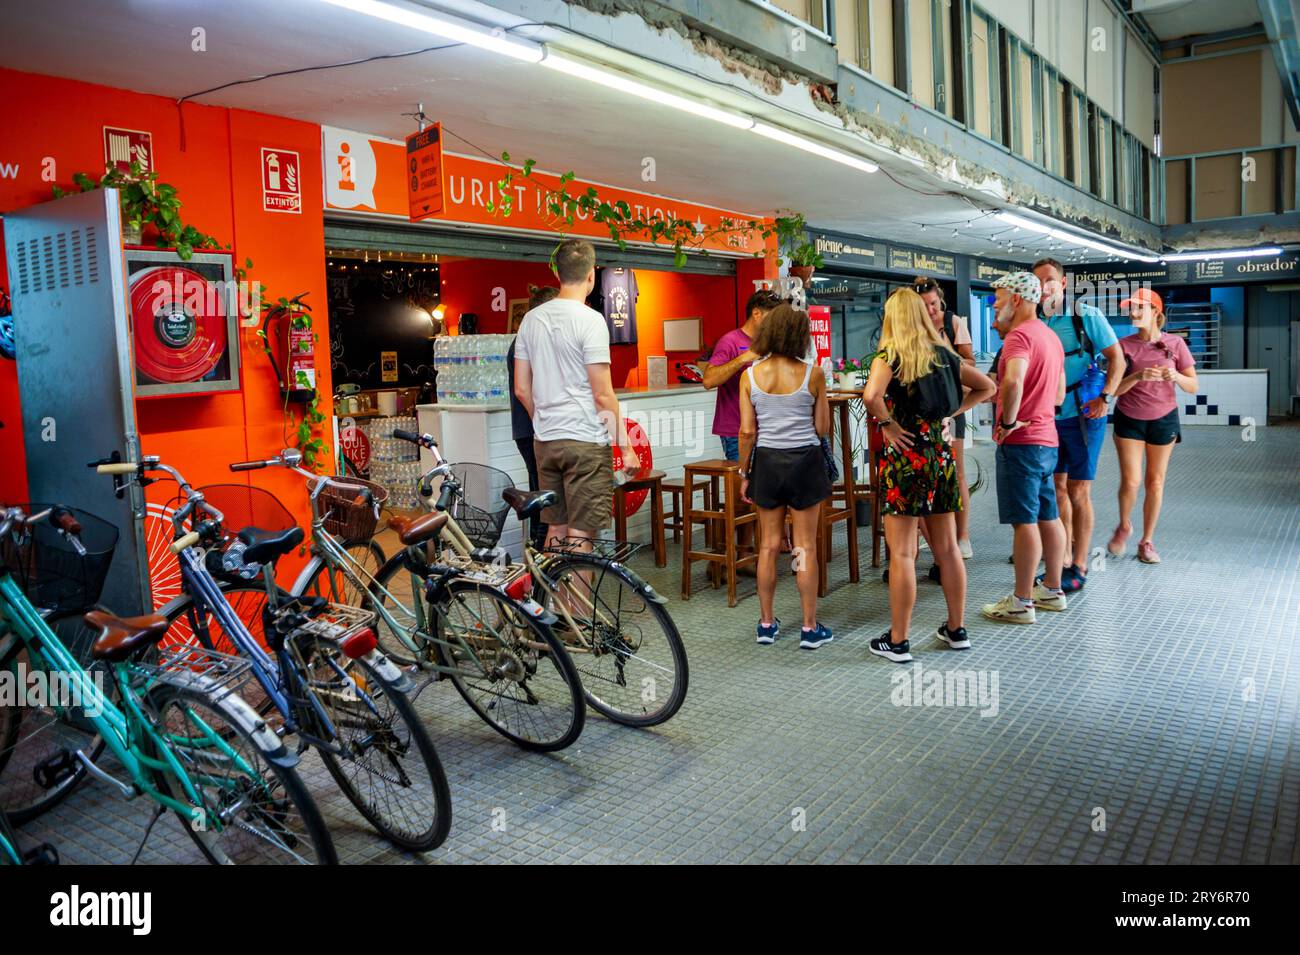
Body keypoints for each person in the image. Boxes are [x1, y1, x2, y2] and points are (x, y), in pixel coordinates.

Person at [863, 288, 996, 662]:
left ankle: (899, 640)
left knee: (903, 553)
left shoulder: (890, 355)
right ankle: (956, 629)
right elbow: (988, 387)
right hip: (939, 456)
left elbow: (872, 395)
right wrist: (951, 415)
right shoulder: (945, 356)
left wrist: (888, 424)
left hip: (906, 459)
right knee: (949, 548)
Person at [514, 239, 639, 548]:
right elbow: (603, 395)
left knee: (556, 527)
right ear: (591, 276)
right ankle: (577, 600)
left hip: (546, 441)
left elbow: (521, 388)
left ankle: (553, 597)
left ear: (557, 274)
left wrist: (542, 418)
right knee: (582, 532)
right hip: (584, 441)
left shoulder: (531, 320)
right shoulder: (592, 320)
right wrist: (625, 447)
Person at [737, 304, 833, 649]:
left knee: (768, 544)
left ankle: (766, 624)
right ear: (799, 336)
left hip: (767, 462)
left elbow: (747, 432)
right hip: (805, 462)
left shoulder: (749, 376)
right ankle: (809, 628)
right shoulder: (814, 374)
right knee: (804, 547)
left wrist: (744, 472)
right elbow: (821, 429)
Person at [981, 271, 1070, 625]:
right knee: (1049, 515)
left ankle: (1021, 602)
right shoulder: (1050, 337)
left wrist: (1007, 421)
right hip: (1048, 439)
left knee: (1024, 521)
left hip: (1022, 442)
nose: (996, 305)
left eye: (999, 299)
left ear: (1017, 299)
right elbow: (1060, 393)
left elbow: (1013, 380)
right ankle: (1051, 589)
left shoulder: (1018, 337)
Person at [1033, 258, 1124, 592]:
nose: (1044, 286)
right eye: (1038, 281)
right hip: (1049, 418)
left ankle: (1081, 565)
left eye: (1050, 280)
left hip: (1086, 417)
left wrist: (1106, 398)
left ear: (1064, 283)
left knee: (1078, 490)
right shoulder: (1035, 320)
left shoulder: (1086, 317)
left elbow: (1118, 358)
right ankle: (1064, 556)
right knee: (1056, 488)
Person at [1108, 288, 1197, 564]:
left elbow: (1193, 386)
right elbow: (1113, 390)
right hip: (1130, 418)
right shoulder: (1123, 345)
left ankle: (1146, 541)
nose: (1133, 314)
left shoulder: (1176, 345)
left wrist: (1176, 376)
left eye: (1139, 308)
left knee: (1155, 482)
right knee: (1132, 481)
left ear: (1156, 313)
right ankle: (1124, 525)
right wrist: (1137, 375)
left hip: (1163, 418)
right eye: (1131, 309)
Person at [913, 277, 977, 559]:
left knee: (956, 472)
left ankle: (962, 537)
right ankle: (936, 535)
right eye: (924, 305)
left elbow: (970, 362)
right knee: (928, 475)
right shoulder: (913, 328)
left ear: (941, 300)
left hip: (952, 407)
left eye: (933, 304)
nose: (930, 310)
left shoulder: (953, 323)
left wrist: (946, 361)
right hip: (923, 411)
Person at [703, 288, 782, 461]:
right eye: (772, 318)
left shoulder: (771, 343)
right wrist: (743, 359)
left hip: (768, 431)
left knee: (765, 485)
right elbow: (708, 380)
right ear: (756, 313)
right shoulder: (730, 341)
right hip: (736, 430)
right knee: (745, 485)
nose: (776, 324)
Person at [508, 284, 558, 548]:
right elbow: (524, 391)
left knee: (543, 495)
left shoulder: (527, 341)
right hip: (533, 430)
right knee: (543, 497)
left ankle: (540, 558)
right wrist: (543, 422)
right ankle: (540, 558)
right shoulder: (525, 343)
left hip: (532, 429)